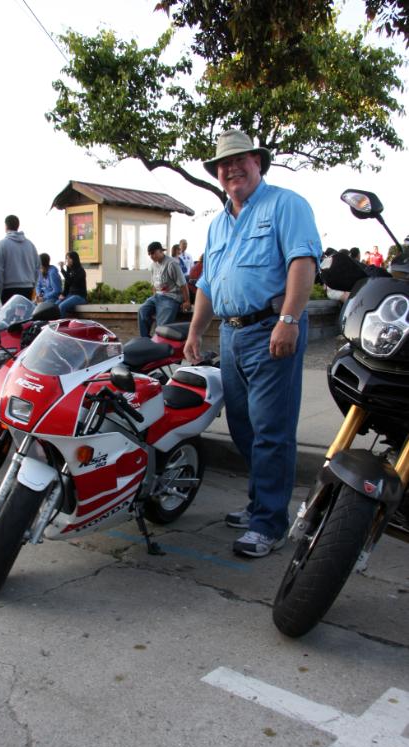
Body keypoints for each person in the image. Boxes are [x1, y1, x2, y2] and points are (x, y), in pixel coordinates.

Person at [184, 128, 322, 558]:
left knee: (271, 431)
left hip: (270, 331)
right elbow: (208, 282)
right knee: (244, 427)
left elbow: (303, 261)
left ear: (257, 162)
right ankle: (262, 502)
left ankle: (270, 523)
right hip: (230, 334)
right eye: (224, 164)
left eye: (240, 160)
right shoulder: (219, 222)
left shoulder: (286, 204)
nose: (231, 168)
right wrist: (194, 330)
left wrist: (288, 320)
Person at [138, 242, 190, 337]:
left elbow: (183, 284)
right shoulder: (153, 265)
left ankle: (158, 346)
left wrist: (187, 301)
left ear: (161, 251)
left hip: (171, 297)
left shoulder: (171, 264)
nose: (151, 256)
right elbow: (153, 285)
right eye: (149, 254)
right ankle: (145, 340)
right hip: (157, 296)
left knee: (162, 325)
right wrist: (154, 299)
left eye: (153, 252)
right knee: (142, 310)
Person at [0, 214, 40, 303]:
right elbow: (37, 268)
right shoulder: (30, 245)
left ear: (6, 226)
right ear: (18, 226)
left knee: (9, 316)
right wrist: (34, 285)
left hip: (9, 290)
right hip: (28, 288)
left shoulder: (1, 245)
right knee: (25, 316)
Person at [56, 251, 87, 316]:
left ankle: (61, 325)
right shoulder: (70, 271)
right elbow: (67, 286)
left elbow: (71, 281)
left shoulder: (80, 270)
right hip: (70, 295)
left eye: (69, 258)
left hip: (79, 296)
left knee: (61, 306)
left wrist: (62, 269)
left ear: (74, 259)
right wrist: (62, 294)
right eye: (66, 258)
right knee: (55, 306)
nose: (67, 260)